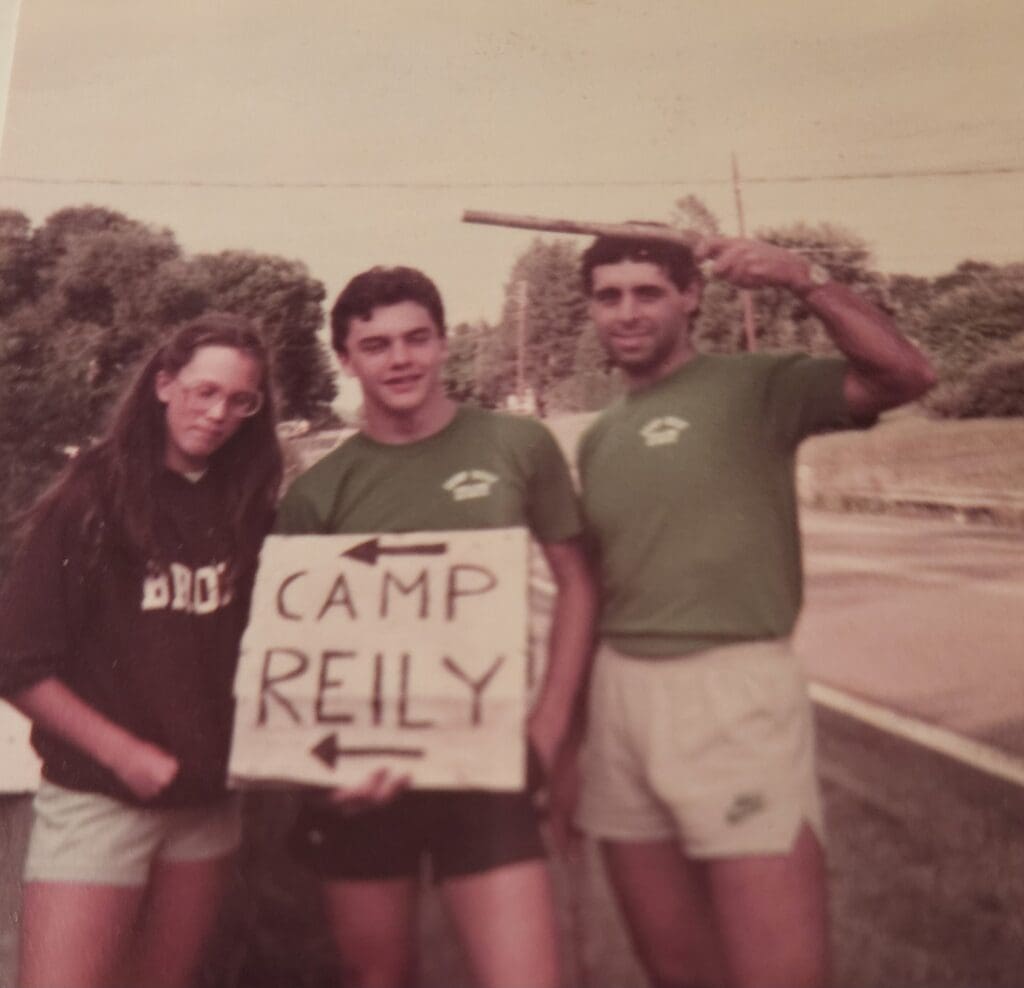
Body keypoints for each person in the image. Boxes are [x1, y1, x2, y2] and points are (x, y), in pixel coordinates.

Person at [572, 234, 936, 988]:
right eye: (609, 296)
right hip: (618, 701)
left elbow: (907, 373)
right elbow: (598, 590)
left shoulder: (758, 387)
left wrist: (804, 280)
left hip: (732, 692)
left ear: (690, 296)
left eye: (647, 292)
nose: (627, 312)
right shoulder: (601, 435)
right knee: (674, 970)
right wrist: (570, 737)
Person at [276, 265, 596, 988]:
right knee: (380, 978)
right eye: (378, 344)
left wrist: (549, 728)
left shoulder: (518, 446)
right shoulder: (318, 493)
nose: (401, 359)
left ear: (444, 343)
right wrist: (327, 762)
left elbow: (579, 584)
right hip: (365, 772)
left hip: (484, 760)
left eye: (417, 338)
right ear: (347, 358)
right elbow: (293, 655)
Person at [0, 313, 282, 988]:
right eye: (202, 391)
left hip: (206, 811)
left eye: (240, 401)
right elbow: (15, 661)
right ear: (163, 383)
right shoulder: (92, 496)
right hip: (99, 802)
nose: (217, 414)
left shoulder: (250, 507)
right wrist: (124, 753)